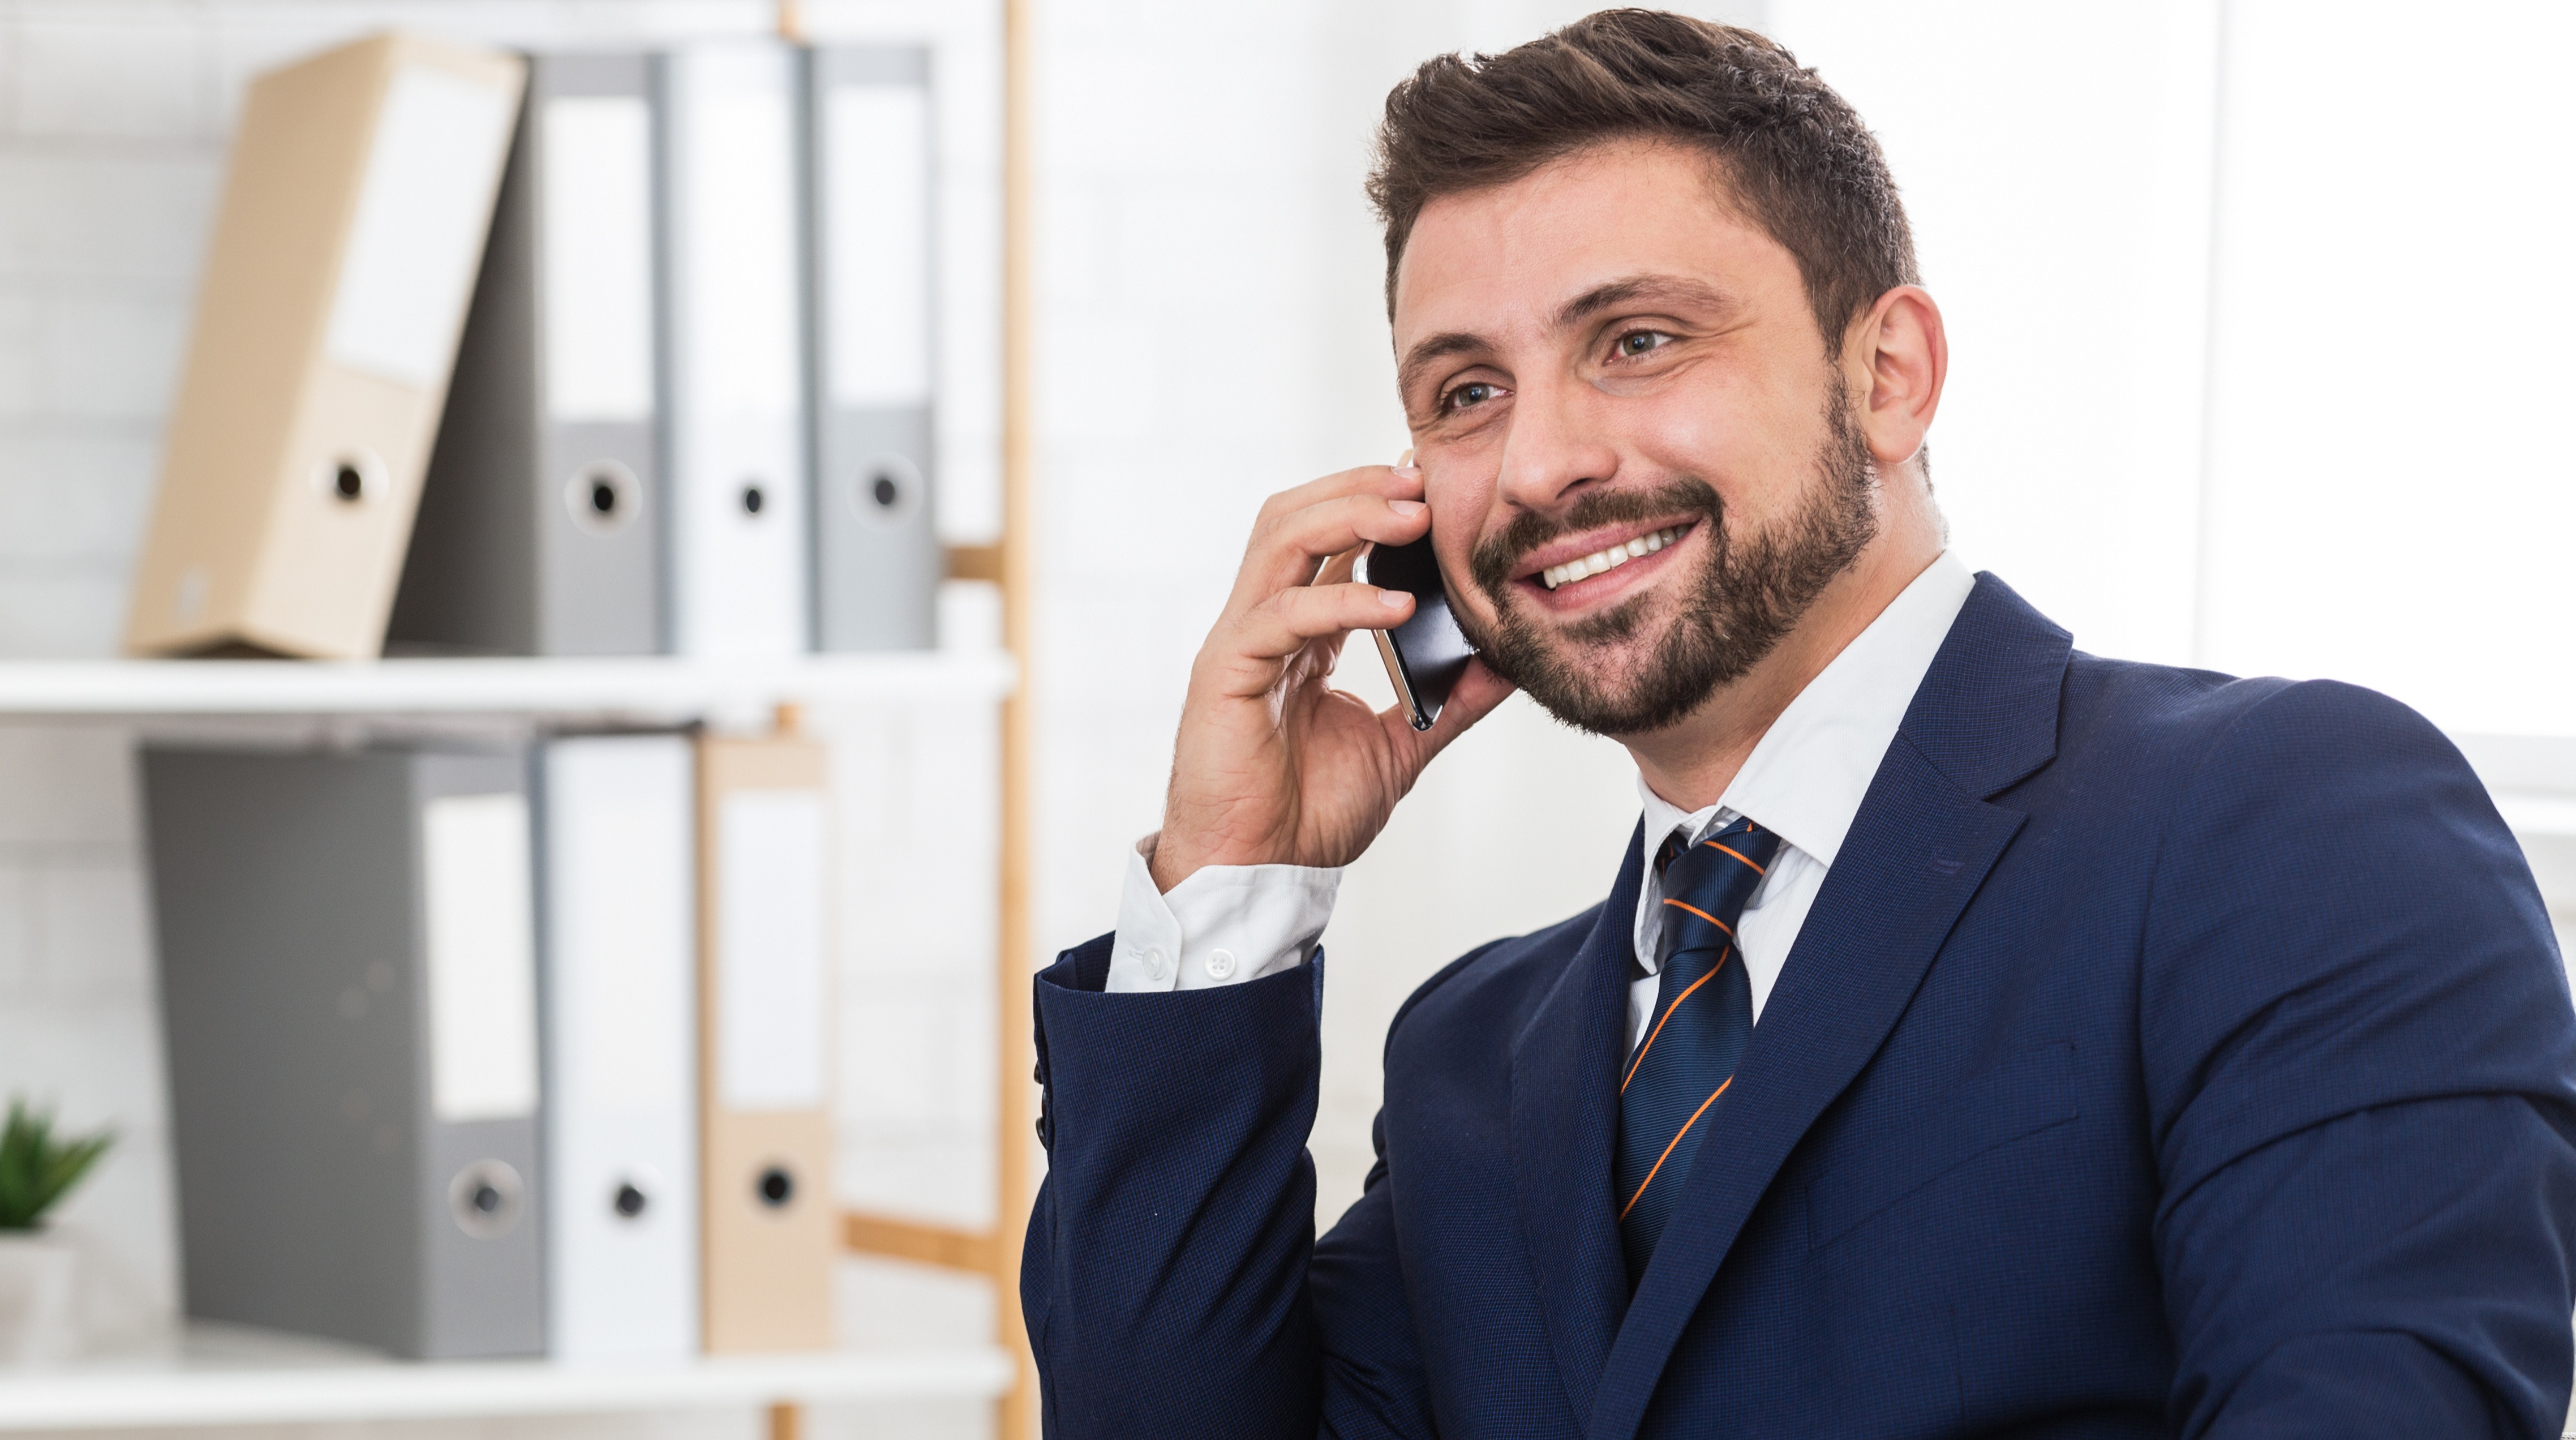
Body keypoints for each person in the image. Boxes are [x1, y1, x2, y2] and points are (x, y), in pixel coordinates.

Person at [1017, 11, 2576, 1438]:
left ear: (1888, 374)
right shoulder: (1480, 1058)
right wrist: (1229, 887)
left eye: (1633, 341)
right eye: (1466, 391)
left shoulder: (2285, 832)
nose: (1541, 462)